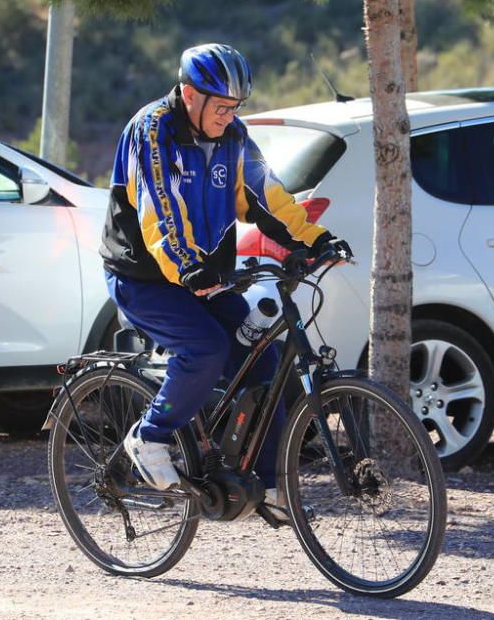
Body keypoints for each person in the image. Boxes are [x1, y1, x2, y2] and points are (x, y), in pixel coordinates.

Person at [100, 43, 351, 521]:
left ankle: (269, 486)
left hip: (205, 276)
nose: (229, 116)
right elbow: (160, 210)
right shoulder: (152, 130)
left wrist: (315, 238)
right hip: (144, 276)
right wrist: (188, 265)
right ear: (190, 94)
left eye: (236, 108)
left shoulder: (232, 136)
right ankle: (148, 437)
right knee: (206, 349)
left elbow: (268, 195)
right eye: (221, 107)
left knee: (263, 359)